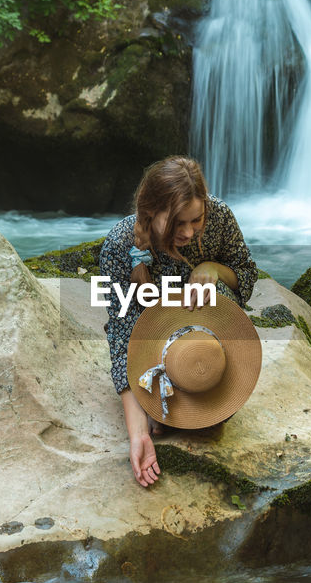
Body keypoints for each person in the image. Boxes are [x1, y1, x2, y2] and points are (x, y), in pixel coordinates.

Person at [98, 156, 258, 487]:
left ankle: (197, 388)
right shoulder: (119, 246)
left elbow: (246, 272)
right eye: (176, 225)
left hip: (210, 345)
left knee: (211, 406)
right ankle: (168, 399)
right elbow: (121, 334)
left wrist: (213, 269)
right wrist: (138, 432)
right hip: (155, 351)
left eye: (195, 220)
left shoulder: (219, 217)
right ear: (149, 213)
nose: (188, 232)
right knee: (164, 414)